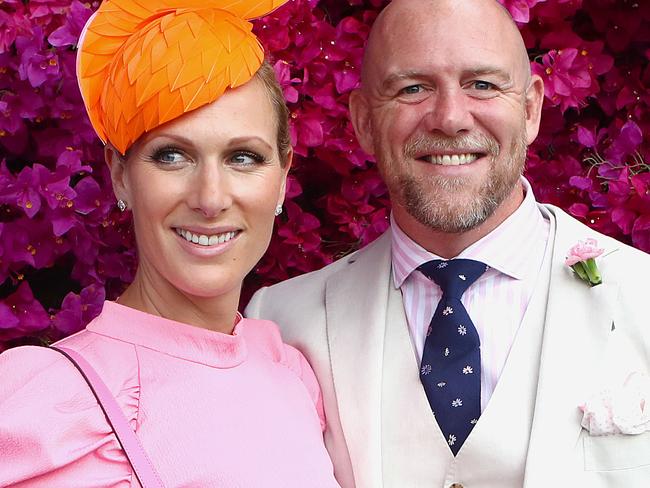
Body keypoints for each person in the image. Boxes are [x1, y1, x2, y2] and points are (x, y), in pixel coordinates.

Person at [245, 0, 650, 486]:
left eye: (482, 84)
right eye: (412, 88)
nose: (451, 119)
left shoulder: (641, 296)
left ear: (531, 109)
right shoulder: (282, 322)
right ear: (364, 122)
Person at [0, 1, 341, 487]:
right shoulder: (51, 397)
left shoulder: (290, 373)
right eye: (172, 156)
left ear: (283, 178)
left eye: (243, 157)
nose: (210, 197)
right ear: (120, 176)